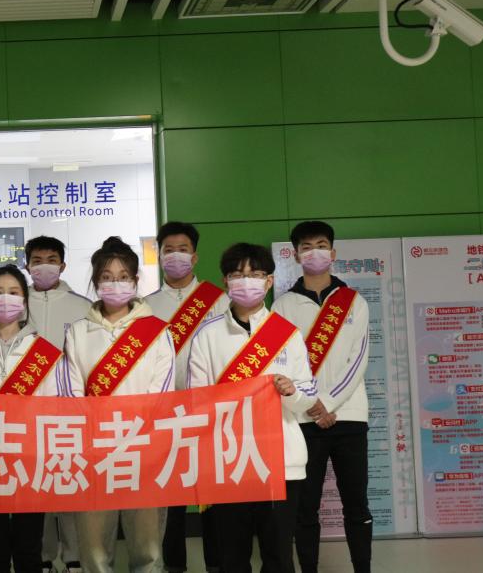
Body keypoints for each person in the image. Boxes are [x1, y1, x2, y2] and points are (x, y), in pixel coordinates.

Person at [187, 243, 317, 573]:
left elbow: (308, 396)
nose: (246, 281)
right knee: (232, 557)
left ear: (269, 281)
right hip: (228, 462)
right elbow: (196, 401)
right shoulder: (207, 336)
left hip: (282, 462)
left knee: (278, 557)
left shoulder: (286, 334)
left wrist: (291, 392)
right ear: (225, 281)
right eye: (237, 274)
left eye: (255, 274)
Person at [0, 264, 75, 573]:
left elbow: (53, 410)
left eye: (13, 292)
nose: (4, 298)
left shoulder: (44, 353)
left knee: (28, 549)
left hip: (28, 463)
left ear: (24, 300)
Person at [65, 237, 174, 573]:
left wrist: (135, 436)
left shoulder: (157, 332)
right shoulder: (78, 332)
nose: (115, 284)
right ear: (96, 282)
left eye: (123, 276)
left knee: (147, 547)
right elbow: (72, 393)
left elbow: (161, 394)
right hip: (94, 451)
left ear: (136, 281)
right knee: (94, 549)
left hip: (144, 450)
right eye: (107, 277)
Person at [271, 221, 372, 573]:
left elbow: (358, 361)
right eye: (306, 246)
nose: (314, 252)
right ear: (296, 255)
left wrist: (326, 404)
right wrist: (310, 406)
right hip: (302, 420)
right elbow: (281, 363)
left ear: (333, 252)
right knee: (305, 508)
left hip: (350, 417)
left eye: (321, 244)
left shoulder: (354, 302)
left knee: (356, 505)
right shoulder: (282, 306)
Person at [145, 222, 227, 573]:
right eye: (168, 250)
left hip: (210, 413)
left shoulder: (219, 301)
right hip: (164, 417)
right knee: (171, 498)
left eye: (183, 249)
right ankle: (173, 566)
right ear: (159, 255)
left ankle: (217, 565)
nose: (175, 256)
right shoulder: (145, 306)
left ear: (194, 256)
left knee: (212, 498)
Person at [23, 236, 91, 573]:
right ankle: (44, 556)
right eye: (37, 260)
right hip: (27, 414)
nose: (44, 266)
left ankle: (74, 556)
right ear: (27, 266)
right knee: (37, 487)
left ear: (63, 265)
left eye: (51, 260)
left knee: (70, 482)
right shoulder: (16, 304)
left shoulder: (82, 306)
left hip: (70, 412)